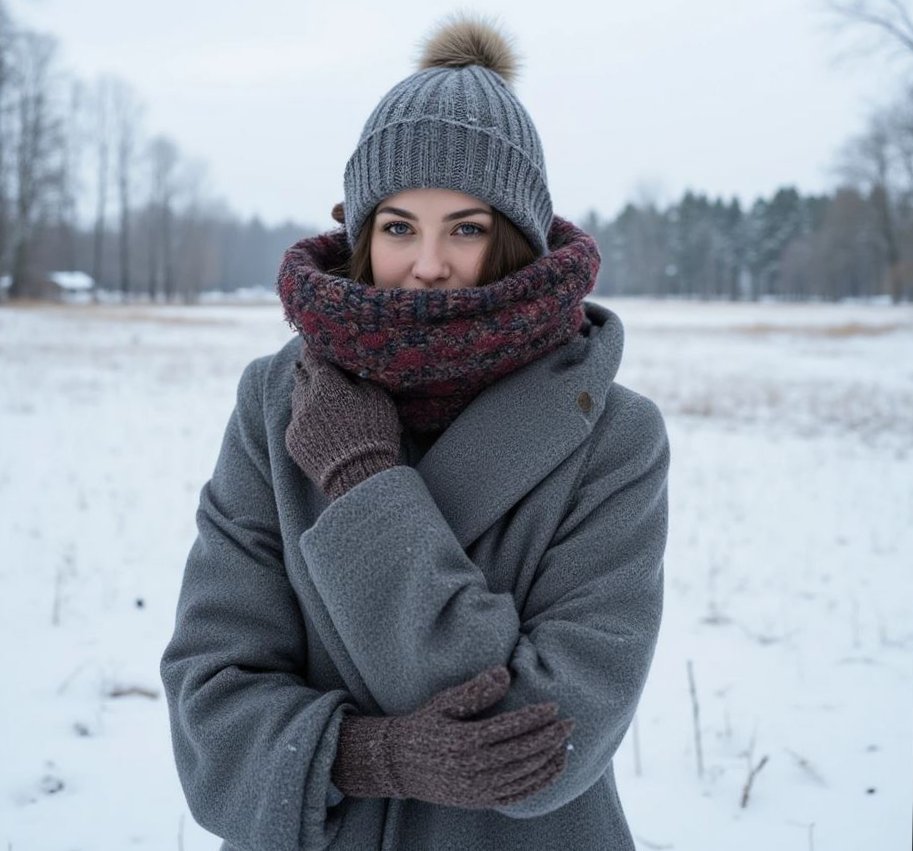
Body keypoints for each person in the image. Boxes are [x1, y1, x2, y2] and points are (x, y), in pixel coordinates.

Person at [161, 13, 669, 851]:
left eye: (465, 228)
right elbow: (209, 701)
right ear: (362, 236)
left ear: (517, 239)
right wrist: (372, 756)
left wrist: (362, 478)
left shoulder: (612, 434)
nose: (427, 264)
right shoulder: (275, 402)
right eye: (398, 226)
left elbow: (544, 741)